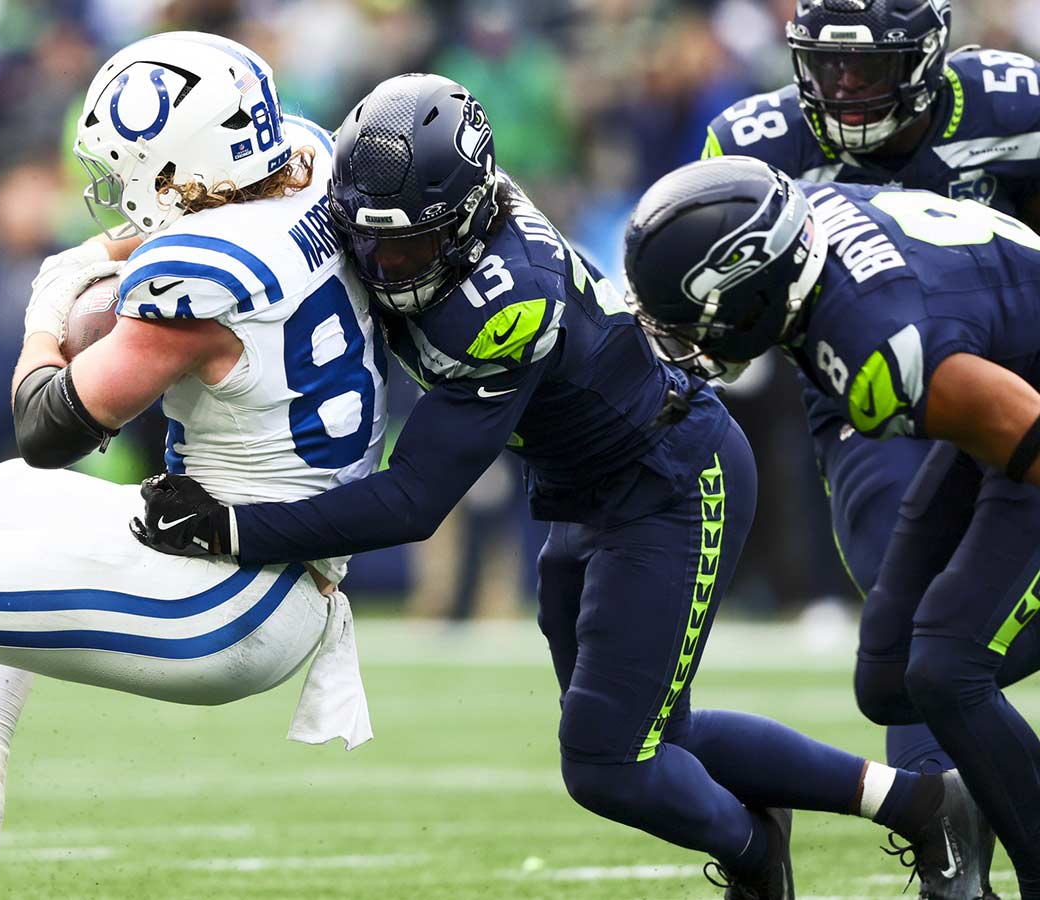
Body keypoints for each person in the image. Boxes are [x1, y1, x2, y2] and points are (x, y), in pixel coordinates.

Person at [134, 73, 974, 900]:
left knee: (608, 761)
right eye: (369, 241)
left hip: (671, 481)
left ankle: (786, 842)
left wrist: (236, 528)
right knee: (654, 734)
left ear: (462, 221)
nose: (386, 267)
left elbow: (414, 500)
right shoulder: (414, 210)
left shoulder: (503, 301)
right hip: (589, 489)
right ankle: (911, 802)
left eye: (411, 247)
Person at [0, 33, 386, 900]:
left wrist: (47, 311)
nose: (118, 190)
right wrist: (105, 259)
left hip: (234, 595)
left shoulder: (207, 278)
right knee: (11, 499)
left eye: (136, 168)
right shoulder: (304, 165)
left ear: (183, 168)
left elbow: (46, 424)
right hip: (270, 542)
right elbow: (196, 220)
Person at [624, 154, 1040, 900]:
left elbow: (1020, 427)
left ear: (753, 293)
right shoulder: (800, 225)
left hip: (1024, 415)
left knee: (948, 667)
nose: (685, 340)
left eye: (692, 320)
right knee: (893, 676)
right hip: (1007, 389)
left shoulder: (876, 344)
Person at [703, 4, 1040, 886]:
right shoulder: (752, 141)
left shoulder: (1012, 106)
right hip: (873, 393)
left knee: (951, 638)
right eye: (829, 66)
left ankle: (962, 843)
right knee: (904, 648)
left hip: (998, 366)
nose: (846, 89)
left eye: (873, 68)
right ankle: (950, 814)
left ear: (928, 58)